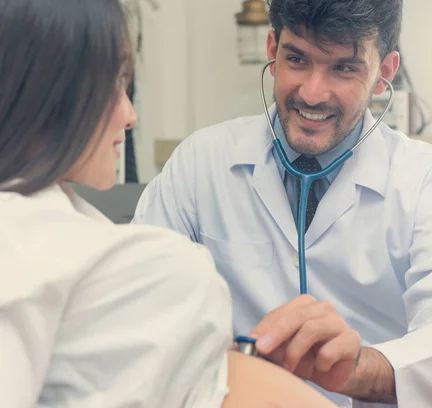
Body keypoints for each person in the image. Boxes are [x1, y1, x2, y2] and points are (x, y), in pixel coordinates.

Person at [132, 0, 432, 406]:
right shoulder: (200, 163)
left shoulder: (430, 180)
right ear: (273, 50)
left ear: (384, 74)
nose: (312, 92)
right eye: (297, 59)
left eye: (344, 68)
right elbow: (139, 305)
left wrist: (356, 368)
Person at [0, 1, 338, 407]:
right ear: (45, 91)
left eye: (344, 67)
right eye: (113, 84)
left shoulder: (54, 220)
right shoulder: (17, 235)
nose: (131, 115)